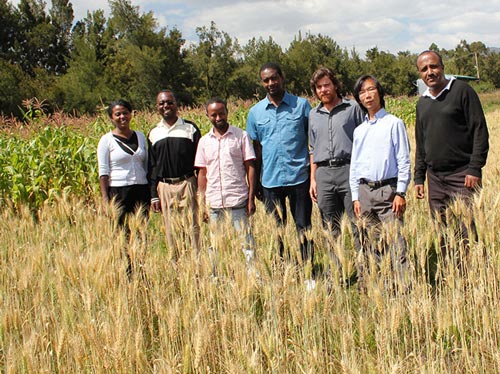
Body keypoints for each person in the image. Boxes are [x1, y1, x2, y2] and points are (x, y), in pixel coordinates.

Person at [414, 50, 489, 271]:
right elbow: (421, 142)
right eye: (424, 69)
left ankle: (474, 276)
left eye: (433, 66)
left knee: (468, 229)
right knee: (442, 230)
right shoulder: (422, 103)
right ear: (420, 74)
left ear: (442, 66)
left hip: (462, 174)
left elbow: (479, 131)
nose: (430, 72)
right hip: (435, 179)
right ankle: (452, 274)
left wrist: (474, 168)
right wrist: (419, 177)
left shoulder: (462, 92)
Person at [246, 62, 313, 274]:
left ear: (282, 78)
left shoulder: (301, 106)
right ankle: (283, 268)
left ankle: (308, 268)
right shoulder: (255, 113)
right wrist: (255, 184)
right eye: (266, 80)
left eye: (274, 78)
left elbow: (312, 141)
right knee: (277, 230)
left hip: (299, 178)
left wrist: (313, 177)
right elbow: (255, 150)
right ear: (262, 83)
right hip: (270, 181)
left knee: (303, 227)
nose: (271, 83)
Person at [350, 75, 411, 290]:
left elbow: (404, 159)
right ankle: (381, 286)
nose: (367, 95)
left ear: (380, 92)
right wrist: (356, 196)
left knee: (396, 242)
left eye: (370, 89)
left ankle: (403, 288)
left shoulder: (394, 123)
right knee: (373, 243)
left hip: (388, 191)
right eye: (361, 92)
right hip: (365, 192)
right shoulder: (359, 131)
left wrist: (401, 192)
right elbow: (354, 166)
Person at [308, 67, 365, 281]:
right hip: (323, 173)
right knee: (329, 228)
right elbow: (312, 148)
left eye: (327, 85)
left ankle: (364, 275)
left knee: (357, 224)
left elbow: (364, 138)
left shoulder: (352, 109)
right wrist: (313, 179)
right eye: (319, 87)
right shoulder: (313, 114)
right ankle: (335, 275)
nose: (323, 89)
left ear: (335, 85)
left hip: (349, 170)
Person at [195, 98, 257, 271]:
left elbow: (250, 166)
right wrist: (202, 203)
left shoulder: (241, 136)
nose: (218, 117)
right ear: (207, 116)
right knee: (215, 245)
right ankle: (216, 277)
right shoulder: (204, 142)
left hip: (238, 201)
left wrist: (251, 198)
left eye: (221, 113)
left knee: (246, 243)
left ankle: (253, 277)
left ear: (227, 113)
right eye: (213, 114)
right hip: (214, 203)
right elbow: (202, 173)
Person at [97, 99, 150, 275]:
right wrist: (106, 201)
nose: (122, 117)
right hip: (119, 192)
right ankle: (126, 272)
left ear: (131, 114)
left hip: (141, 191)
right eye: (117, 114)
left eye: (125, 112)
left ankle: (141, 271)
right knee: (122, 234)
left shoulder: (141, 137)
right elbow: (103, 172)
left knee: (141, 233)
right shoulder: (106, 140)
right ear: (111, 118)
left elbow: (147, 165)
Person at [148, 89, 201, 255]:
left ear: (176, 104)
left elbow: (200, 162)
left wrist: (201, 190)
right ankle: (177, 270)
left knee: (192, 228)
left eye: (169, 102)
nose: (166, 106)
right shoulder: (153, 133)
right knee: (172, 233)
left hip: (188, 183)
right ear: (157, 107)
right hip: (165, 187)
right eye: (162, 103)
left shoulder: (190, 129)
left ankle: (196, 267)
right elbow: (152, 166)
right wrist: (153, 195)